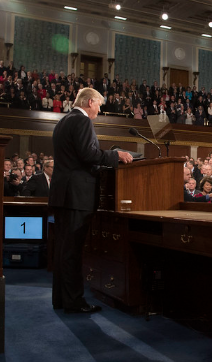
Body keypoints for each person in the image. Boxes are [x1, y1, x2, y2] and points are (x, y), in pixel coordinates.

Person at [48, 88, 133, 314]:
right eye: (98, 105)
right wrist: (117, 156)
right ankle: (74, 302)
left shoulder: (64, 121)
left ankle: (62, 300)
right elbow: (88, 154)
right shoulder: (82, 121)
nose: (99, 109)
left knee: (64, 251)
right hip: (76, 195)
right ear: (89, 102)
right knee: (72, 251)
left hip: (64, 194)